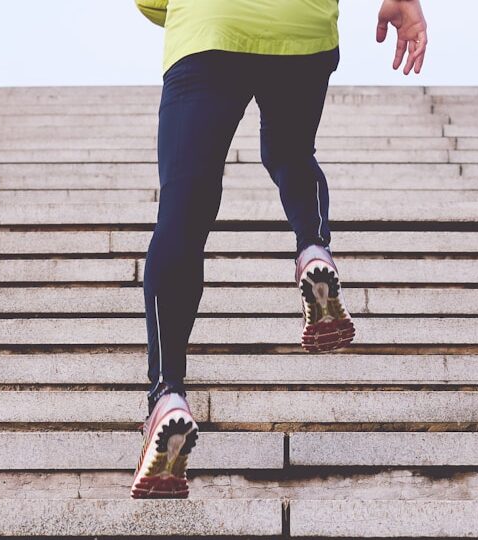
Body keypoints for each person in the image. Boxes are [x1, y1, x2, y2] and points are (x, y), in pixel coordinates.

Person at [130, 0, 428, 499]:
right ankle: (313, 249)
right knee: (292, 151)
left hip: (209, 27)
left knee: (185, 208)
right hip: (302, 28)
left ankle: (167, 395)